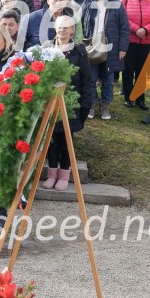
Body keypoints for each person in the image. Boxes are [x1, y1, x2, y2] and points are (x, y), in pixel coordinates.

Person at [41, 16, 92, 190]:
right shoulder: (47, 47)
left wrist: (85, 105)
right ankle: (51, 174)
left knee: (66, 140)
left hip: (71, 102)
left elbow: (86, 79)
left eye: (66, 28)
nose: (62, 30)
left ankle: (64, 174)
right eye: (59, 27)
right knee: (51, 139)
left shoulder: (79, 50)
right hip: (50, 101)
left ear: (72, 30)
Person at [81, 0, 129, 120]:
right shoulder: (87, 4)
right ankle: (92, 103)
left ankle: (105, 105)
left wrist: (122, 48)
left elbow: (124, 28)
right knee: (91, 78)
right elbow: (80, 25)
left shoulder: (117, 4)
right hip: (92, 47)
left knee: (108, 80)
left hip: (111, 48)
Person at [121, 0, 150, 110]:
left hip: (146, 42)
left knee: (142, 72)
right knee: (128, 70)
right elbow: (122, 18)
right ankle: (128, 97)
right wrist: (136, 29)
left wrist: (145, 29)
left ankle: (140, 99)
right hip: (130, 41)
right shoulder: (125, 0)